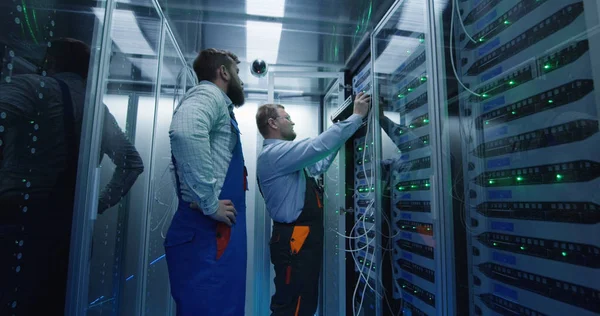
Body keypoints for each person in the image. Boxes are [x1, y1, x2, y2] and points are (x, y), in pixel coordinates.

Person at [0, 38, 144, 315]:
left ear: (50, 62)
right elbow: (132, 164)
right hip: (71, 225)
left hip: (16, 217)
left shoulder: (34, 87)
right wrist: (96, 204)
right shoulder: (96, 109)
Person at [256, 92, 371, 316]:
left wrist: (342, 134)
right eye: (286, 117)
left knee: (303, 303)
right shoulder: (274, 154)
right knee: (293, 306)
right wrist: (356, 117)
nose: (292, 121)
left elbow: (318, 164)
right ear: (272, 123)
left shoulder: (286, 159)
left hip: (300, 240)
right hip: (294, 242)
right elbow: (317, 146)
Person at [165, 48, 247, 316]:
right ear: (223, 72)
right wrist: (210, 204)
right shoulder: (209, 94)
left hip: (213, 238)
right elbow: (185, 131)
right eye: (237, 73)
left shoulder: (219, 106)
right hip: (206, 236)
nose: (241, 81)